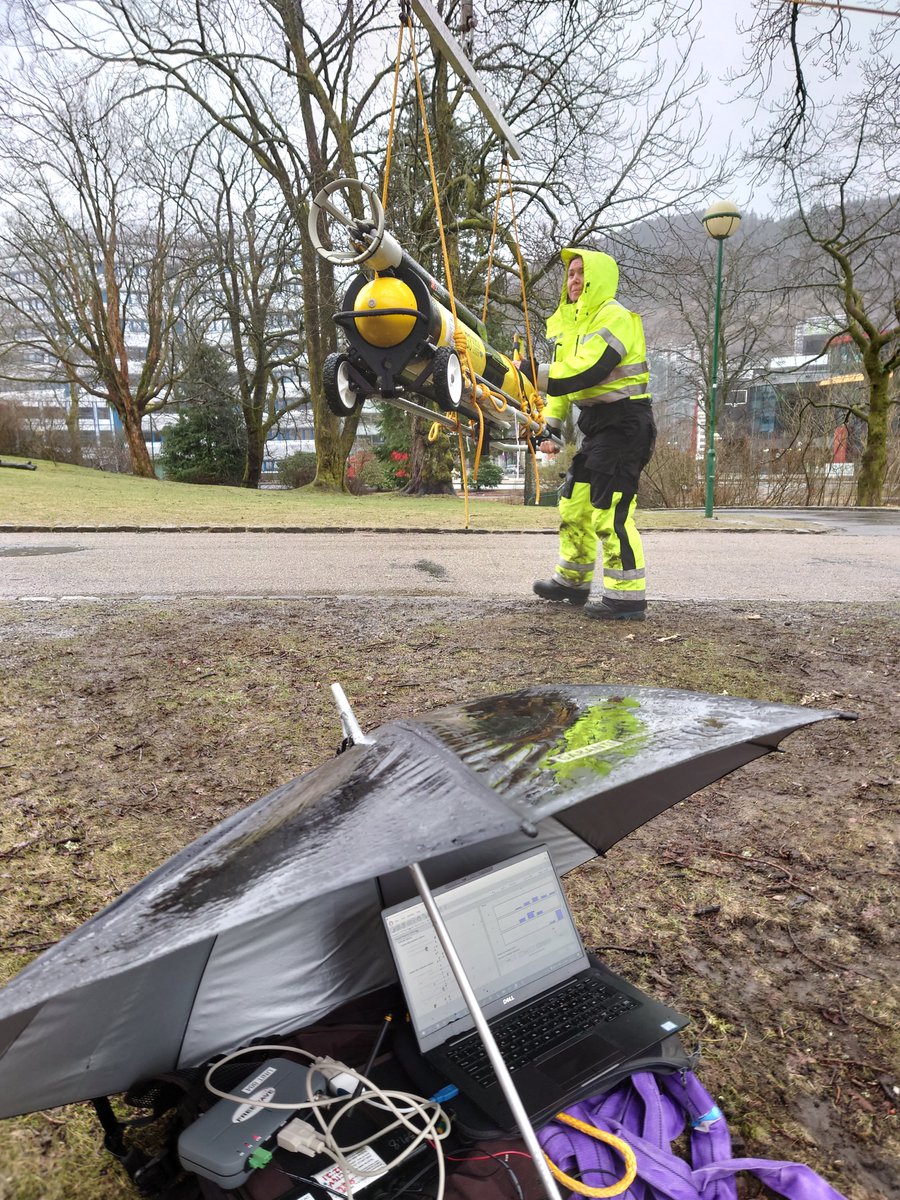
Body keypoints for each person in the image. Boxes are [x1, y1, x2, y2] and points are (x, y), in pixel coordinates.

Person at [530, 249, 656, 621]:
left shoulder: (616, 318)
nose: (573, 279)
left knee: (610, 511)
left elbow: (586, 371)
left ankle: (627, 599)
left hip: (626, 424)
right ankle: (573, 581)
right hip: (598, 426)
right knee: (575, 502)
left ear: (598, 278)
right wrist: (549, 424)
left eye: (581, 273)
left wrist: (531, 372)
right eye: (569, 273)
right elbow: (563, 385)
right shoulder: (571, 327)